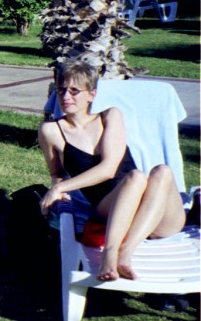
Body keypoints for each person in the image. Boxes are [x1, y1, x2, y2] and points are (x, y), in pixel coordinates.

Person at [38, 59, 186, 281]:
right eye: (61, 90)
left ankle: (123, 252)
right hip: (107, 208)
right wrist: (57, 187)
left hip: (158, 219)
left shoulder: (110, 116)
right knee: (136, 177)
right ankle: (111, 255)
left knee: (162, 171)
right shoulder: (51, 131)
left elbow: (108, 169)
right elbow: (56, 173)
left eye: (74, 90)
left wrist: (60, 188)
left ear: (92, 94)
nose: (66, 96)